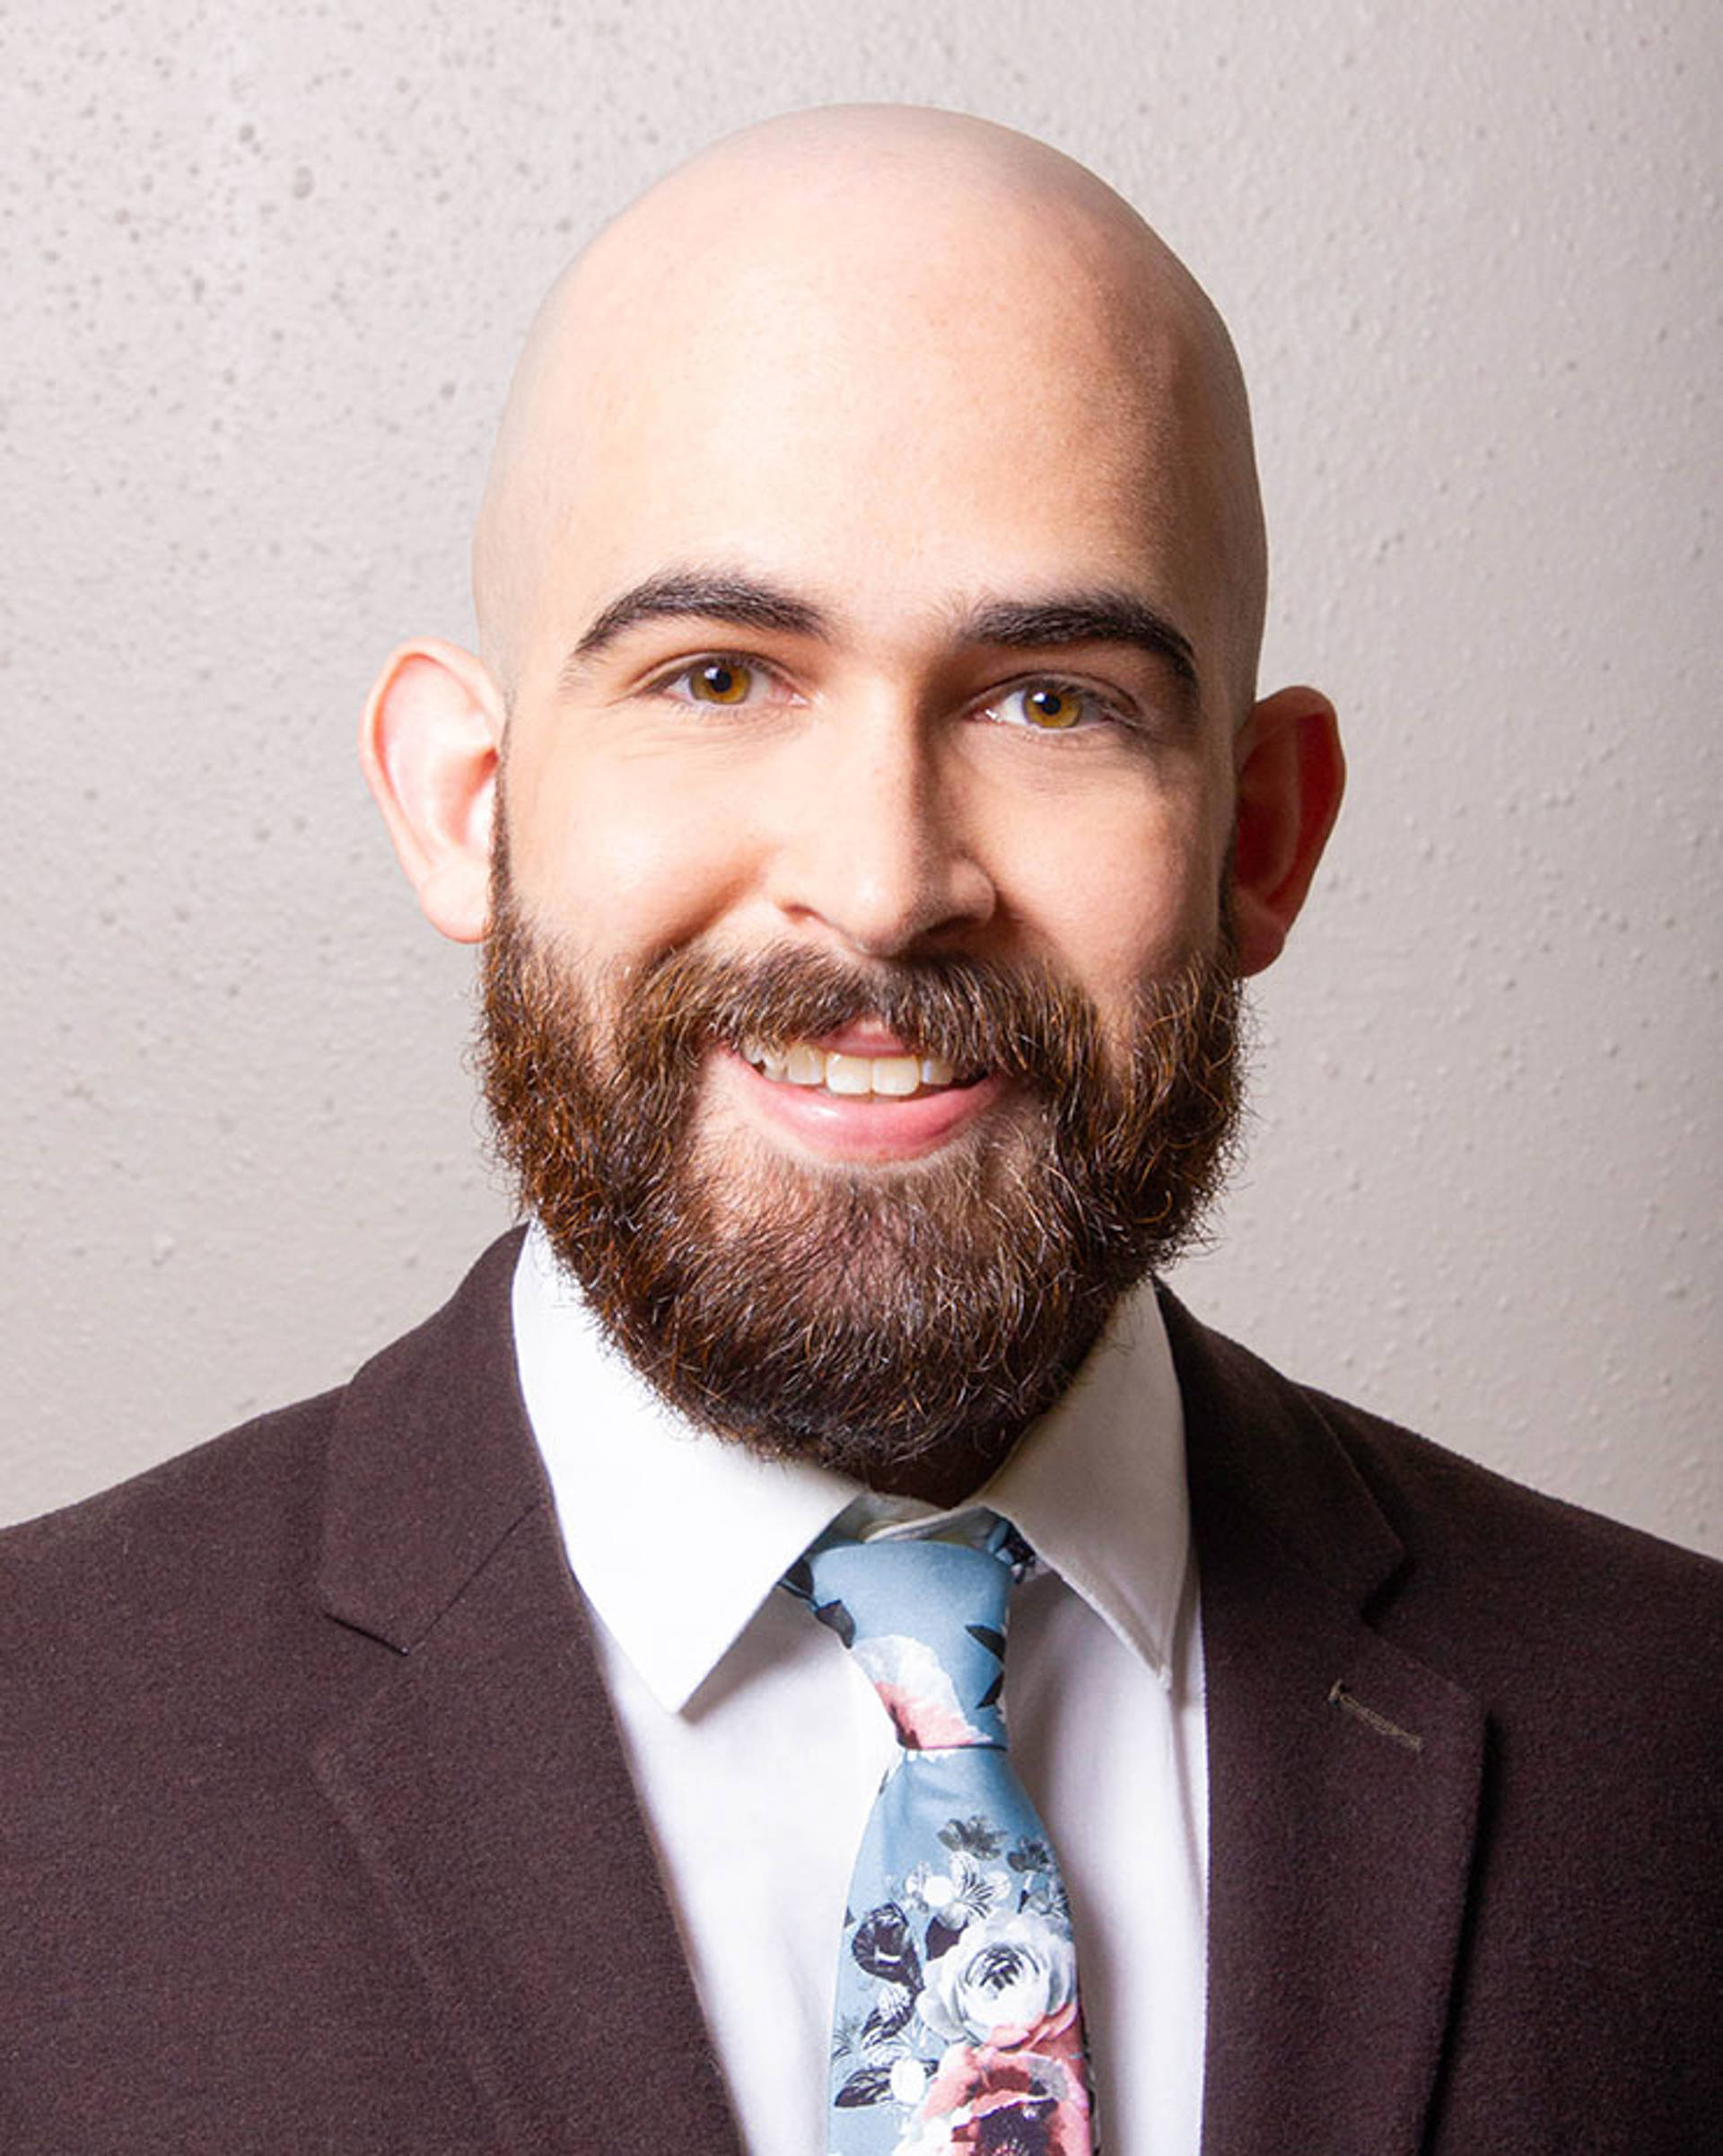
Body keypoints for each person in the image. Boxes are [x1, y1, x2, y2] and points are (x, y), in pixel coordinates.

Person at [2, 105, 1717, 2156]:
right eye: (719, 675)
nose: (886, 882)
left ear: (1261, 834)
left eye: (1052, 700)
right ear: (469, 800)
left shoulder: (1677, 1750)